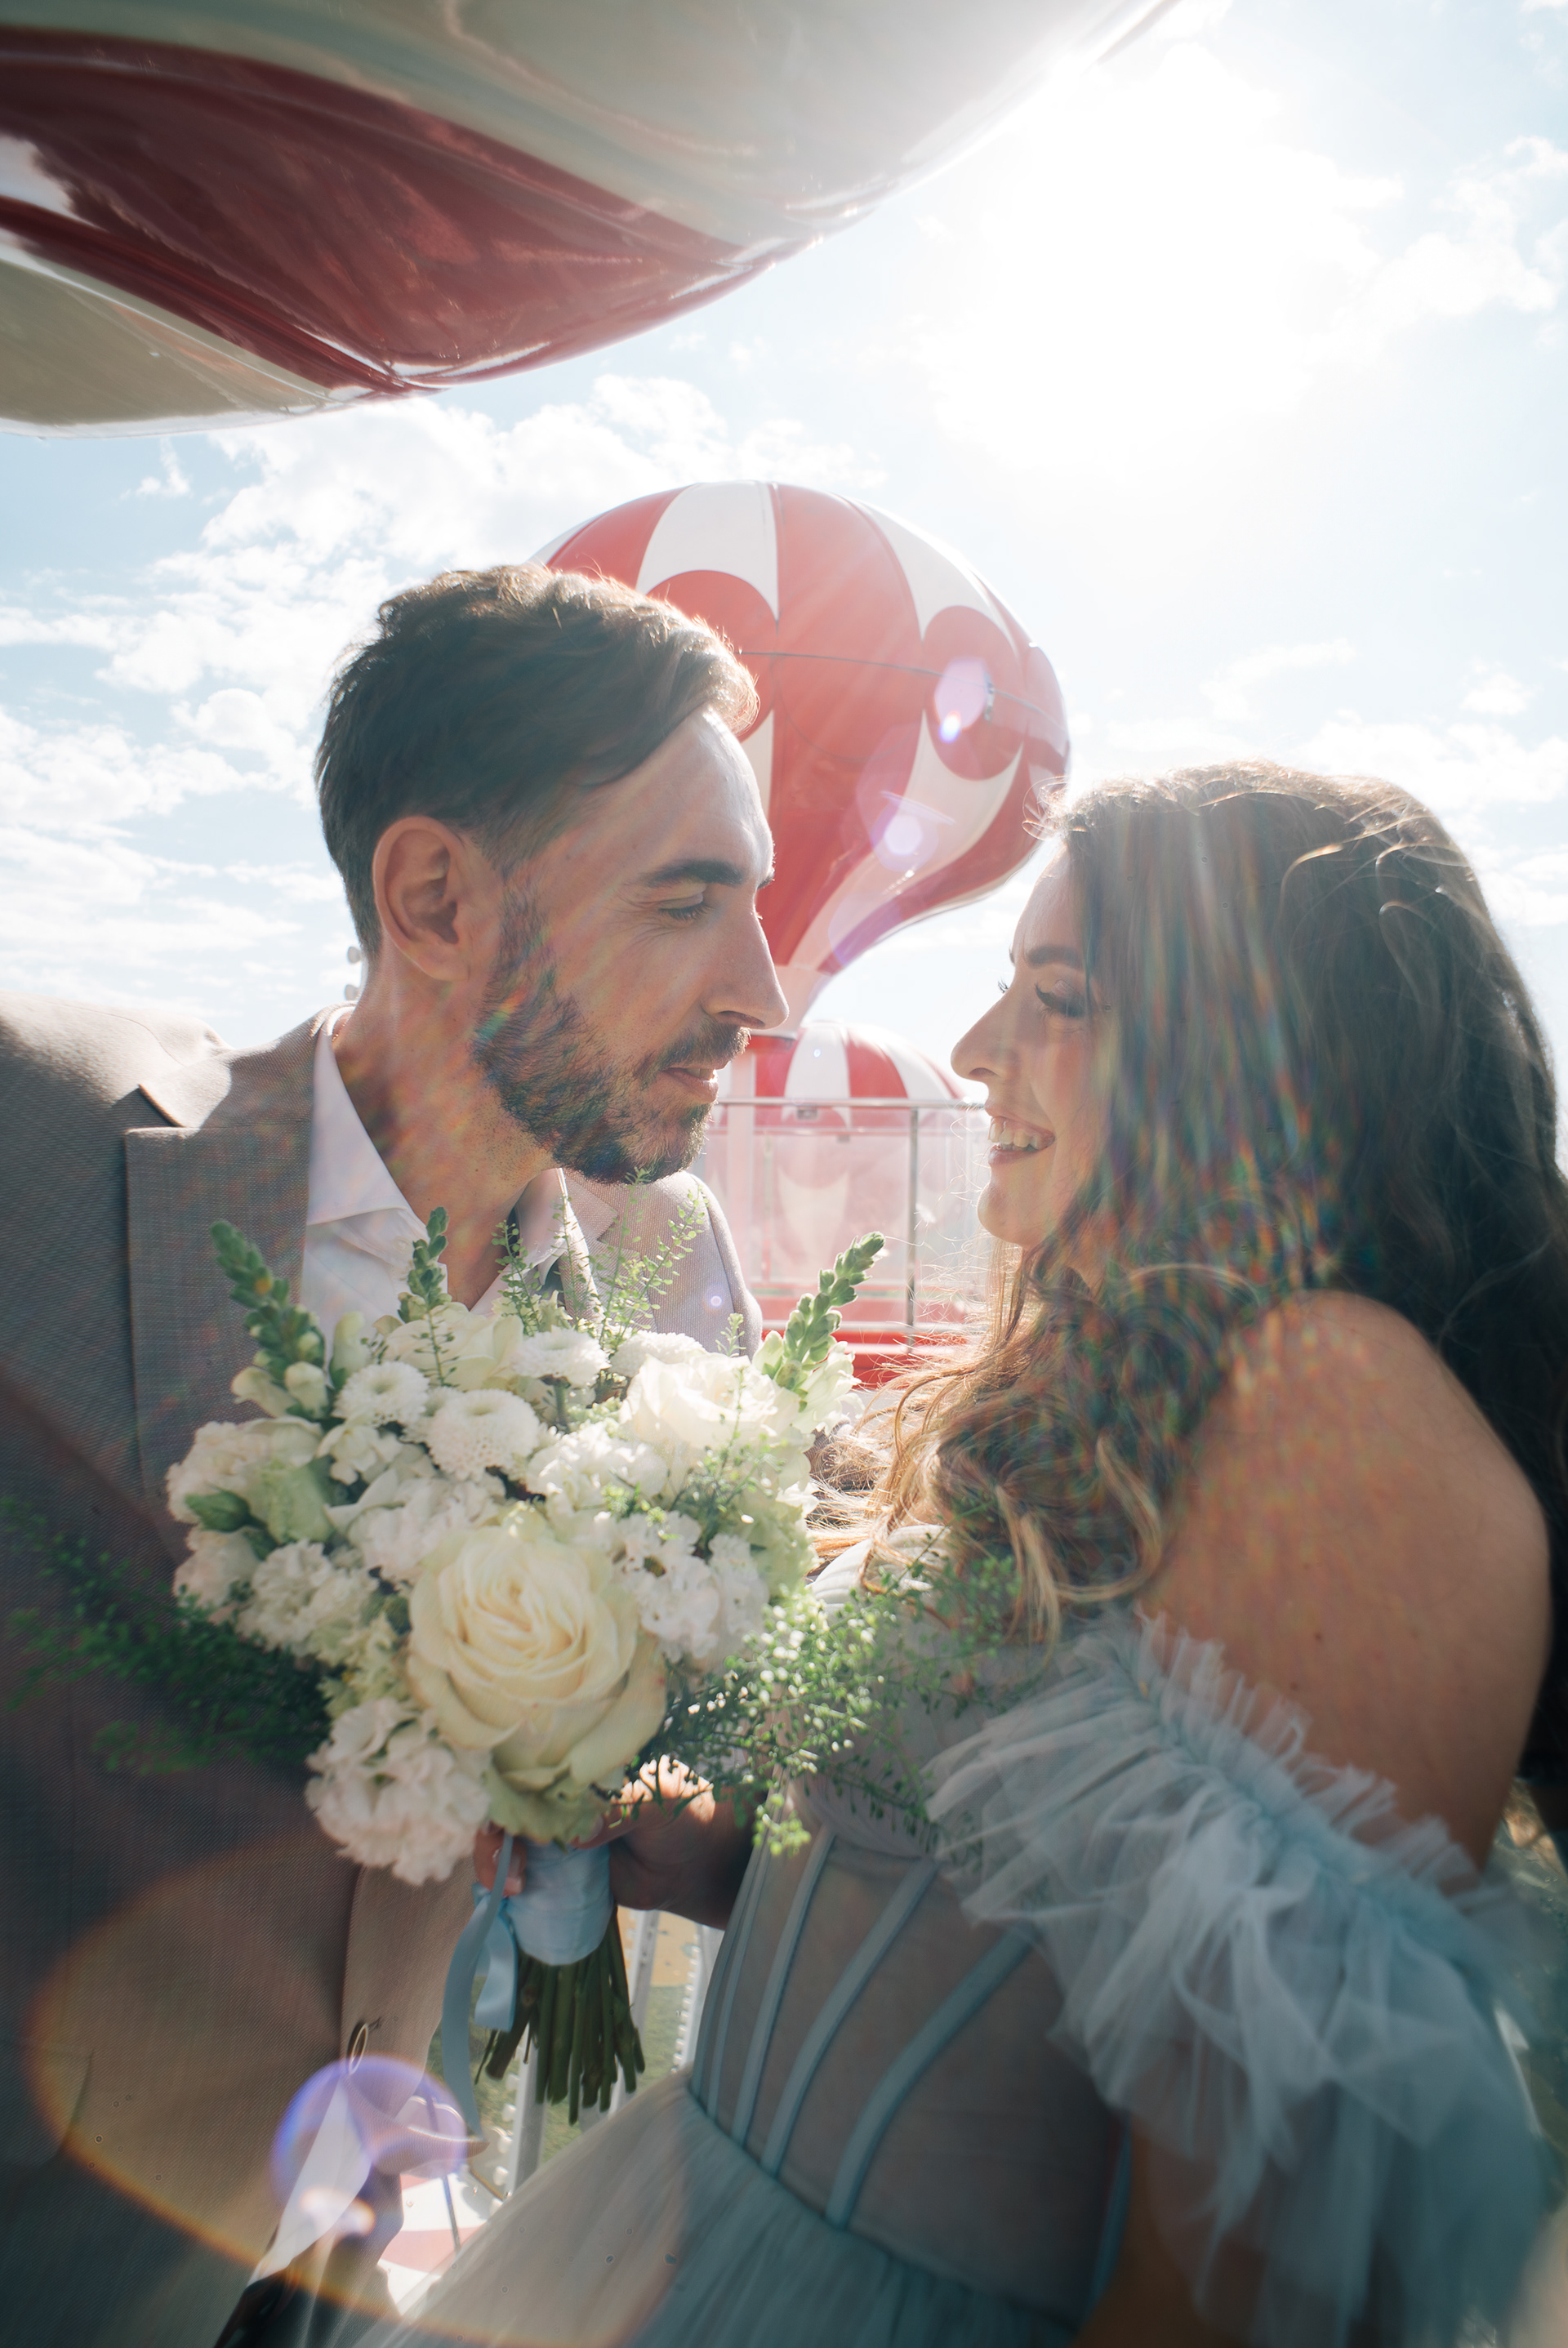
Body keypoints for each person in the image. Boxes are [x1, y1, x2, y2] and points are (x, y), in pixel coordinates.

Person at [355, 763, 1568, 2348]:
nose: (983, 1050)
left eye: (1058, 998)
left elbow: (1242, 2256)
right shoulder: (1121, 1379)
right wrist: (735, 1868)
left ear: (1266, 1059)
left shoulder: (1343, 1407)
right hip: (703, 2230)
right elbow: (1071, 1929)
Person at [0, 563, 787, 2348]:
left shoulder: (661, 1290)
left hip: (340, 2245)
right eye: (687, 900)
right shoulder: (37, 1128)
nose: (762, 987)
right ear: (434, 896)